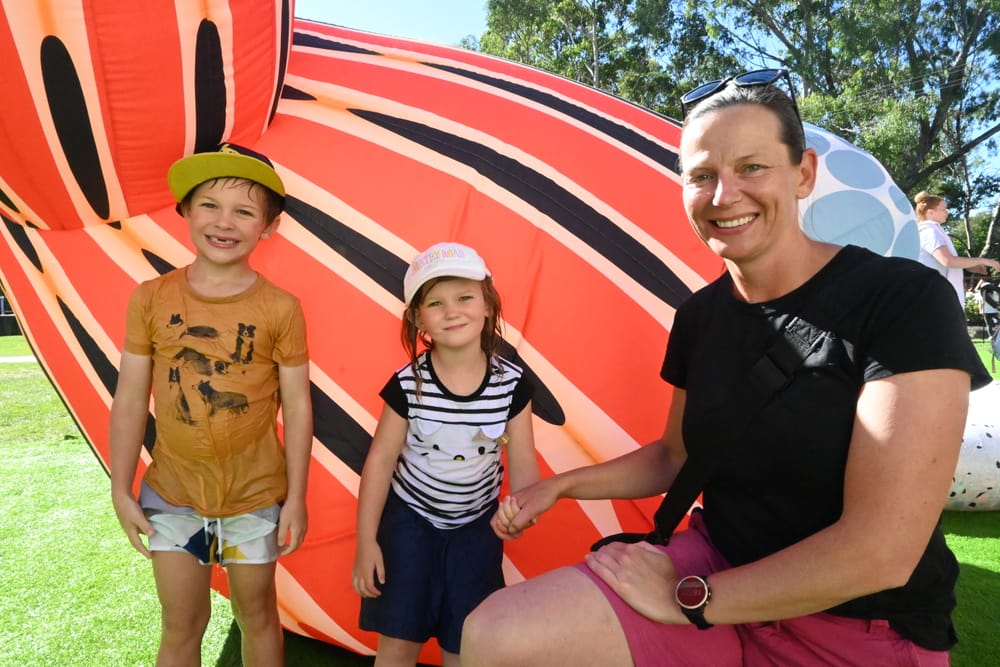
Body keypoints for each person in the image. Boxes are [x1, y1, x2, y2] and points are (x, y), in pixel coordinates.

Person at [460, 70, 991, 666]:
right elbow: (676, 454)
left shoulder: (902, 299)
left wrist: (690, 597)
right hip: (718, 564)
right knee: (495, 634)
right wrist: (560, 487)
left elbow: (882, 549)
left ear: (804, 174)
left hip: (856, 620)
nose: (723, 195)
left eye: (752, 168)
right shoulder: (700, 316)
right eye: (702, 176)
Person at [109, 143, 312, 667]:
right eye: (210, 205)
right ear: (185, 211)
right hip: (172, 498)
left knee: (258, 615)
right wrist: (120, 489)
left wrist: (296, 500)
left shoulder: (281, 308)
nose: (225, 222)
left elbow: (297, 404)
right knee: (182, 624)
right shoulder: (150, 298)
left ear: (268, 227)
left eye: (245, 210)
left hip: (255, 499)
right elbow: (131, 398)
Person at [352, 242, 539, 667]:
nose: (452, 311)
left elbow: (524, 460)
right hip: (410, 524)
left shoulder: (512, 385)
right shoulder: (407, 384)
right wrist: (366, 542)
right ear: (418, 319)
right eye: (435, 303)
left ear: (488, 304)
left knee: (466, 644)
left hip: (477, 528)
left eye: (464, 297)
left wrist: (522, 507)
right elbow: (381, 461)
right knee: (398, 642)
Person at [915, 191, 999, 305]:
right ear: (930, 212)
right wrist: (985, 261)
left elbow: (946, 263)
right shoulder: (929, 232)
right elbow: (947, 260)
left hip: (937, 295)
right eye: (943, 209)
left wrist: (971, 266)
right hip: (936, 297)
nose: (947, 212)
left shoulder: (933, 231)